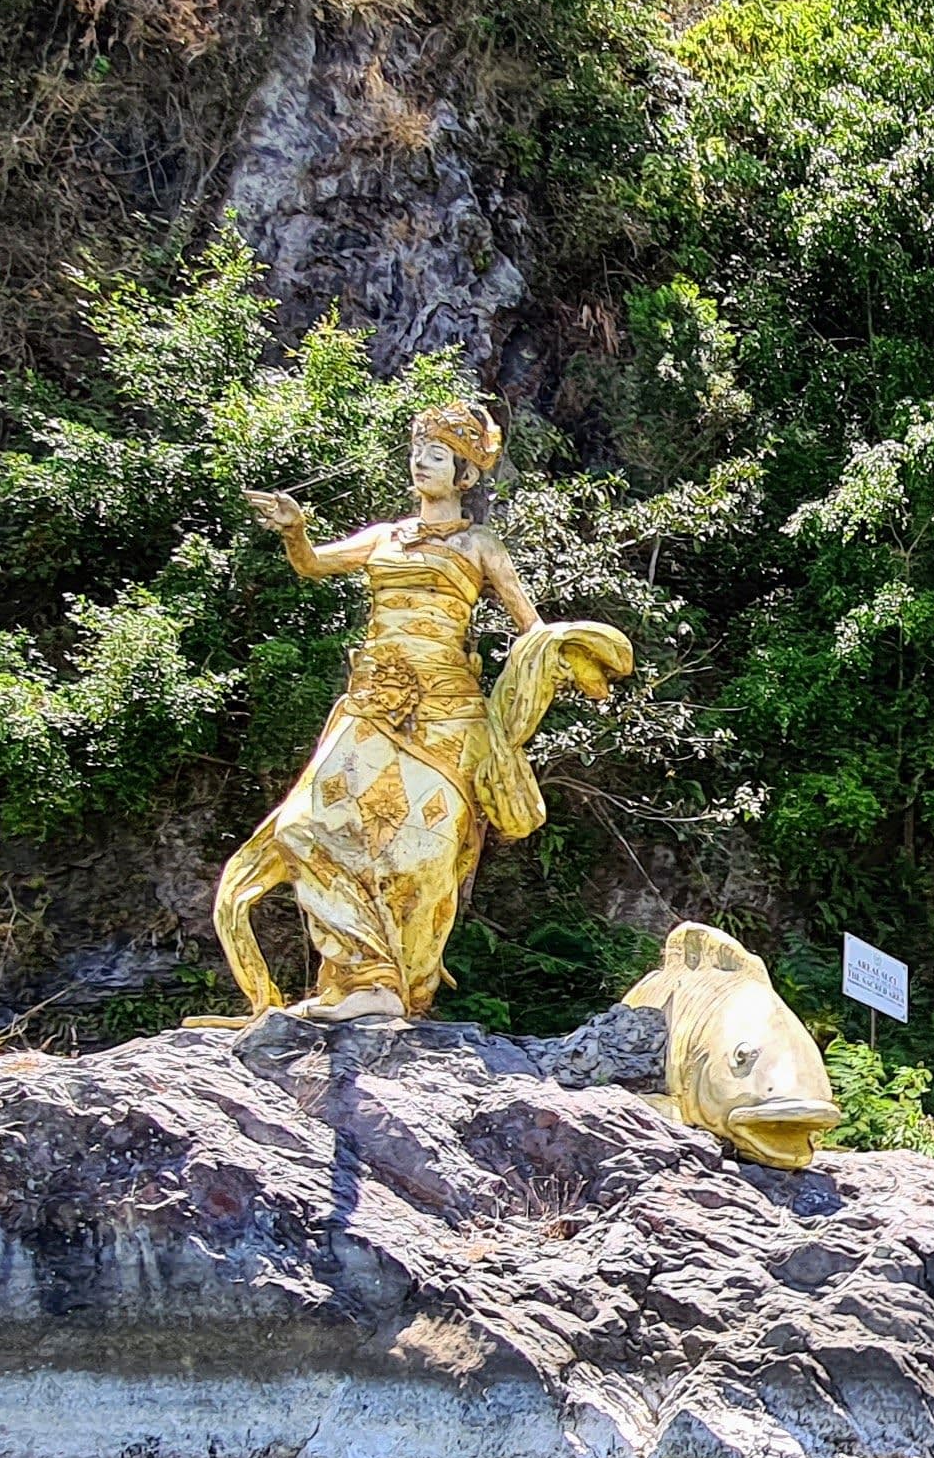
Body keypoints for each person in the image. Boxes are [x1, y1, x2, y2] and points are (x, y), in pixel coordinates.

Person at [213, 399, 629, 1019]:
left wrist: (559, 659)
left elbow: (529, 624)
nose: (421, 462)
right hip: (371, 703)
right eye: (417, 452)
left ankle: (392, 989)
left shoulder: (480, 544)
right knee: (302, 827)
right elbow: (313, 565)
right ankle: (362, 976)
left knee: (423, 855)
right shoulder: (386, 537)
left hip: (447, 710)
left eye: (437, 455)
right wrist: (295, 528)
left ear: (465, 474)